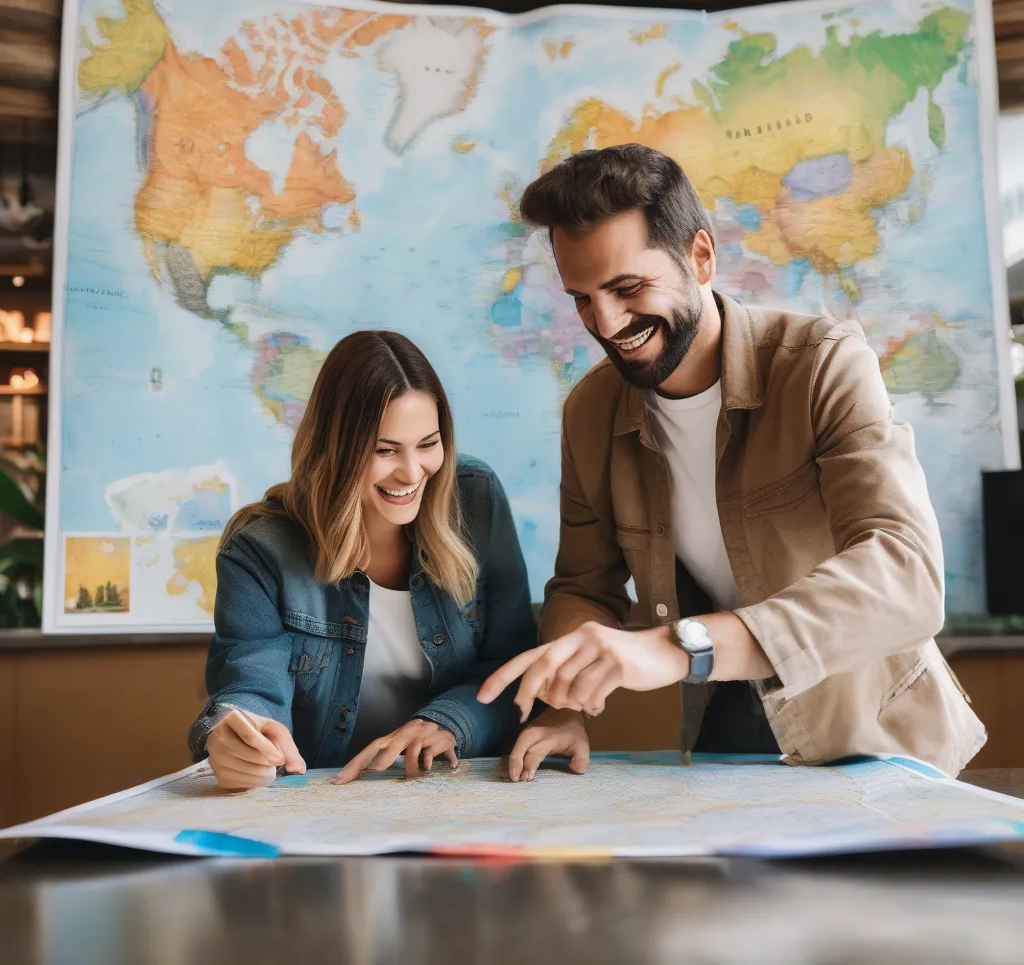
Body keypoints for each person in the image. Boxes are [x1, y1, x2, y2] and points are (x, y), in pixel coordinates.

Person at [480, 143, 985, 779]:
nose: (605, 323)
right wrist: (561, 705)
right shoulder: (588, 412)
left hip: (878, 735)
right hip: (724, 723)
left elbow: (906, 575)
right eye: (581, 297)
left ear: (700, 257)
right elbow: (585, 587)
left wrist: (679, 648)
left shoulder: (825, 365)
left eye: (627, 287)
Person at [188, 330, 555, 788]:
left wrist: (447, 722)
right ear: (335, 447)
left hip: (461, 793)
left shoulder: (476, 499)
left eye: (428, 444)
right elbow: (252, 681)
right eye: (384, 450)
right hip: (325, 803)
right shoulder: (260, 549)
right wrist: (236, 732)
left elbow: (513, 663)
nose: (411, 472)